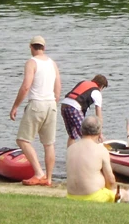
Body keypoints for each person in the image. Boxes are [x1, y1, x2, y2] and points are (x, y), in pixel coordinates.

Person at [9, 36, 61, 187]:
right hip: (51, 104)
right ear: (44, 47)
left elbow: (26, 86)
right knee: (49, 144)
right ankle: (49, 179)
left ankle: (39, 173)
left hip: (37, 103)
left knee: (23, 140)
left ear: (31, 47)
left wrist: (15, 106)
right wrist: (54, 102)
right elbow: (58, 87)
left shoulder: (32, 62)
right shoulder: (53, 63)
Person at [65, 116, 117, 203]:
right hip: (93, 196)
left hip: (71, 196)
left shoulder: (70, 148)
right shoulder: (101, 150)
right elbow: (111, 180)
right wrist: (110, 191)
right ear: (99, 132)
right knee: (121, 193)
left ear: (81, 130)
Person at [61, 74, 108, 146]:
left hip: (64, 105)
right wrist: (99, 133)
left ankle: (69, 155)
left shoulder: (83, 83)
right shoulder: (96, 92)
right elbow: (99, 116)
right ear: (101, 86)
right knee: (87, 136)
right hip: (74, 108)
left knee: (72, 135)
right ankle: (90, 155)